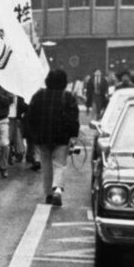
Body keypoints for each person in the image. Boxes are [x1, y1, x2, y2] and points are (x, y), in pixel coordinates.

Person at [23, 68, 81, 207]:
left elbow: (30, 116)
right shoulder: (68, 97)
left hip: (42, 137)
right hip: (62, 137)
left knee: (46, 165)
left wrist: (32, 135)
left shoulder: (39, 95)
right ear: (64, 82)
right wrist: (73, 135)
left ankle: (48, 194)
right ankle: (58, 190)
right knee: (60, 164)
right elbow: (74, 119)